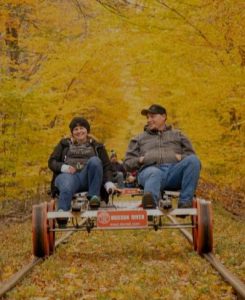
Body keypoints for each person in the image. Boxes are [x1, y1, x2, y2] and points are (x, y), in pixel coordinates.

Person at [124, 104, 201, 209]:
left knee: (194, 160)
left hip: (173, 172)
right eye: (147, 118)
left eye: (152, 117)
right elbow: (127, 163)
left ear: (164, 117)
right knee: (154, 173)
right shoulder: (139, 138)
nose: (148, 120)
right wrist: (141, 159)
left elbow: (191, 158)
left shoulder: (178, 135)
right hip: (149, 171)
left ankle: (185, 203)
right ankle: (150, 204)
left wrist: (179, 157)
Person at [48, 117, 117, 211]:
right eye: (76, 129)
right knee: (66, 184)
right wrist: (63, 167)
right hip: (69, 176)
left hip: (88, 179)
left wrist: (108, 182)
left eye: (82, 128)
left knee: (95, 161)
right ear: (72, 132)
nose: (79, 131)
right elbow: (52, 162)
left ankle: (94, 198)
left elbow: (106, 166)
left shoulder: (98, 146)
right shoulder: (64, 144)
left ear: (87, 130)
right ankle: (62, 213)